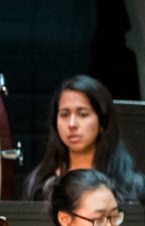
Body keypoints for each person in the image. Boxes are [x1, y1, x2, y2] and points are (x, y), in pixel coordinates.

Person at [23, 75, 145, 204]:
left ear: (102, 122)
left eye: (83, 114)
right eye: (64, 114)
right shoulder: (39, 183)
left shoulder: (130, 185)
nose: (72, 124)